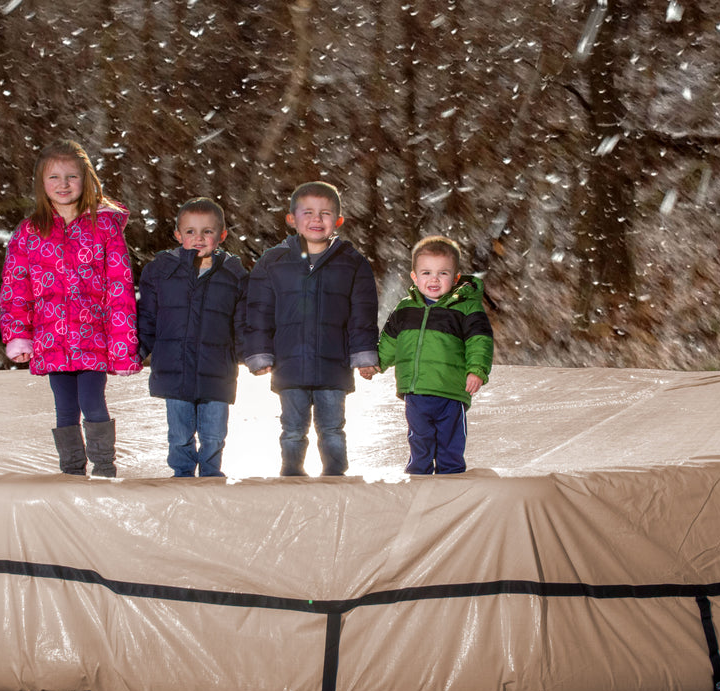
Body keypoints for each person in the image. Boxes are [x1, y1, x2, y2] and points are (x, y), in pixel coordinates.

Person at [0, 139, 141, 477]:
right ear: (41, 184)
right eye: (54, 178)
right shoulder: (30, 232)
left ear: (86, 179)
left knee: (93, 402)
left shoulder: (104, 228)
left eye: (71, 177)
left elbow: (119, 289)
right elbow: (15, 289)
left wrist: (122, 345)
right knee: (64, 408)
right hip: (51, 340)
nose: (63, 185)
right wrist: (19, 335)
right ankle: (72, 473)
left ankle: (105, 468)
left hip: (94, 337)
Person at [244, 181, 379, 476]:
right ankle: (292, 474)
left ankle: (335, 476)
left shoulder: (353, 263)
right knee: (292, 429)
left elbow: (363, 313)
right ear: (292, 219)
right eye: (308, 213)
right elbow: (258, 310)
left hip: (334, 365)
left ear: (338, 220)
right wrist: (259, 353)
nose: (317, 220)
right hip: (289, 364)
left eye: (325, 213)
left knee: (332, 429)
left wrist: (364, 355)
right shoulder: (273, 262)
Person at [137, 198, 248, 478]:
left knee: (214, 433)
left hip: (217, 369)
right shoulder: (162, 272)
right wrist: (136, 350)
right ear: (177, 235)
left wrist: (253, 353)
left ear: (222, 235)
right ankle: (182, 474)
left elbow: (242, 322)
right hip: (175, 369)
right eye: (190, 232)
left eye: (207, 232)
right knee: (180, 433)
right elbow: (148, 317)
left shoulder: (234, 274)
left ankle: (211, 474)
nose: (199, 238)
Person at [374, 235, 493, 474]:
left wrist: (476, 370)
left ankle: (451, 474)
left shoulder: (466, 307)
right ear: (415, 277)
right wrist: (375, 363)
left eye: (443, 273)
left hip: (451, 388)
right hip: (416, 389)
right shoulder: (405, 309)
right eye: (426, 273)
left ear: (456, 277)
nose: (434, 279)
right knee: (419, 435)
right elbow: (390, 341)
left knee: (450, 437)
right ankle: (419, 473)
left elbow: (479, 341)